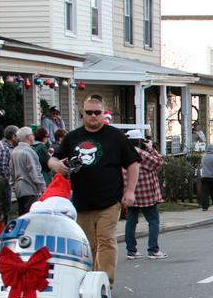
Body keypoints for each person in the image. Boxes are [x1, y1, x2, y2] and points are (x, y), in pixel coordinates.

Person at [49, 95, 140, 285]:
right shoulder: (72, 137)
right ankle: (88, 280)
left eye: (97, 112)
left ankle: (105, 281)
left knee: (106, 240)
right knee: (87, 244)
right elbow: (53, 158)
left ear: (103, 113)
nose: (93, 116)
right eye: (89, 112)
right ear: (82, 114)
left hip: (109, 201)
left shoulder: (115, 137)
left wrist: (130, 191)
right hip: (81, 202)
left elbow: (133, 163)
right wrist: (57, 166)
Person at [124, 129, 166, 260]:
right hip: (145, 192)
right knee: (153, 220)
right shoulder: (140, 152)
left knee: (131, 221)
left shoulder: (123, 152)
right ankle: (153, 249)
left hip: (130, 191)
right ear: (139, 140)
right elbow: (158, 161)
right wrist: (150, 148)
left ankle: (131, 250)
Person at [9, 126, 46, 215]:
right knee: (30, 216)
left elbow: (11, 171)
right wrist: (43, 187)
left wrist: (13, 186)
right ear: (28, 137)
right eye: (32, 135)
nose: (33, 136)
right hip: (30, 188)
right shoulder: (29, 152)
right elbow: (35, 172)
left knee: (22, 215)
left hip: (19, 189)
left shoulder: (14, 151)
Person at [0, 125, 19, 220]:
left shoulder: (8, 146)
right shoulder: (4, 148)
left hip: (3, 181)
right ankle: (1, 226)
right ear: (13, 136)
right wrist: (11, 177)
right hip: (2, 181)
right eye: (17, 135)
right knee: (3, 205)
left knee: (4, 205)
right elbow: (1, 168)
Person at [199, 143, 213, 211]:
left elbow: (202, 164)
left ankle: (204, 206)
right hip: (212, 176)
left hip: (204, 176)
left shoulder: (203, 156)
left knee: (205, 192)